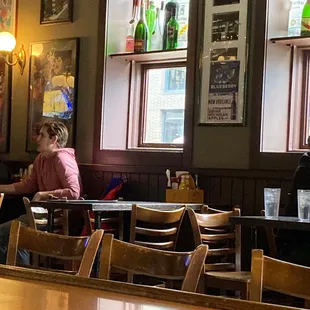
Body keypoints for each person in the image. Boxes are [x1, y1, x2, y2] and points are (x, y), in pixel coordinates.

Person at [0, 120, 81, 265]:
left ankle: (20, 277)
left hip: (60, 219)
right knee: (14, 238)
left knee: (9, 234)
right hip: (43, 215)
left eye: (42, 135)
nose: (37, 139)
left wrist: (43, 194)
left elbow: (74, 192)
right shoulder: (41, 159)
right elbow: (28, 186)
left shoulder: (62, 158)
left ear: (54, 139)